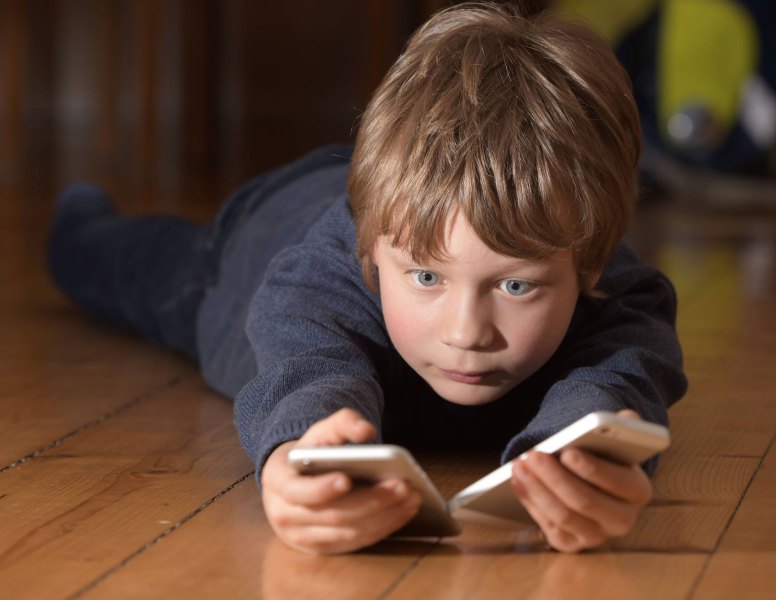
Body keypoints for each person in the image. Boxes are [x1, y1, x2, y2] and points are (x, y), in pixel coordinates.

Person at [47, 3, 687, 555]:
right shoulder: (315, 282)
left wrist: (580, 458)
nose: (466, 333)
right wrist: (301, 452)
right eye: (426, 277)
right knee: (106, 262)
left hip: (390, 194)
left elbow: (620, 372)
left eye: (515, 286)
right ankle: (79, 211)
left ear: (590, 265)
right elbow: (310, 365)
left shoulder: (607, 280)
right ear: (374, 253)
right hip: (260, 232)